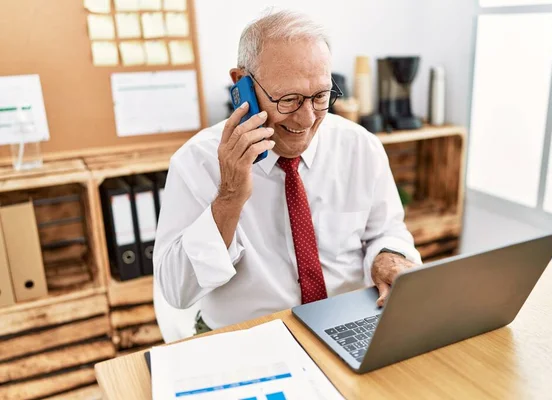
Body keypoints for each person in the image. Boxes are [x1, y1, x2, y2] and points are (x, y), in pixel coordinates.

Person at [153, 10, 421, 331]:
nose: (307, 119)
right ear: (242, 85)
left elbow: (386, 231)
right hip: (247, 336)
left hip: (346, 322)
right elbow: (176, 292)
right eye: (289, 99)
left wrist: (389, 257)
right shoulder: (195, 162)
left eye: (321, 96)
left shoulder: (360, 146)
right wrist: (229, 197)